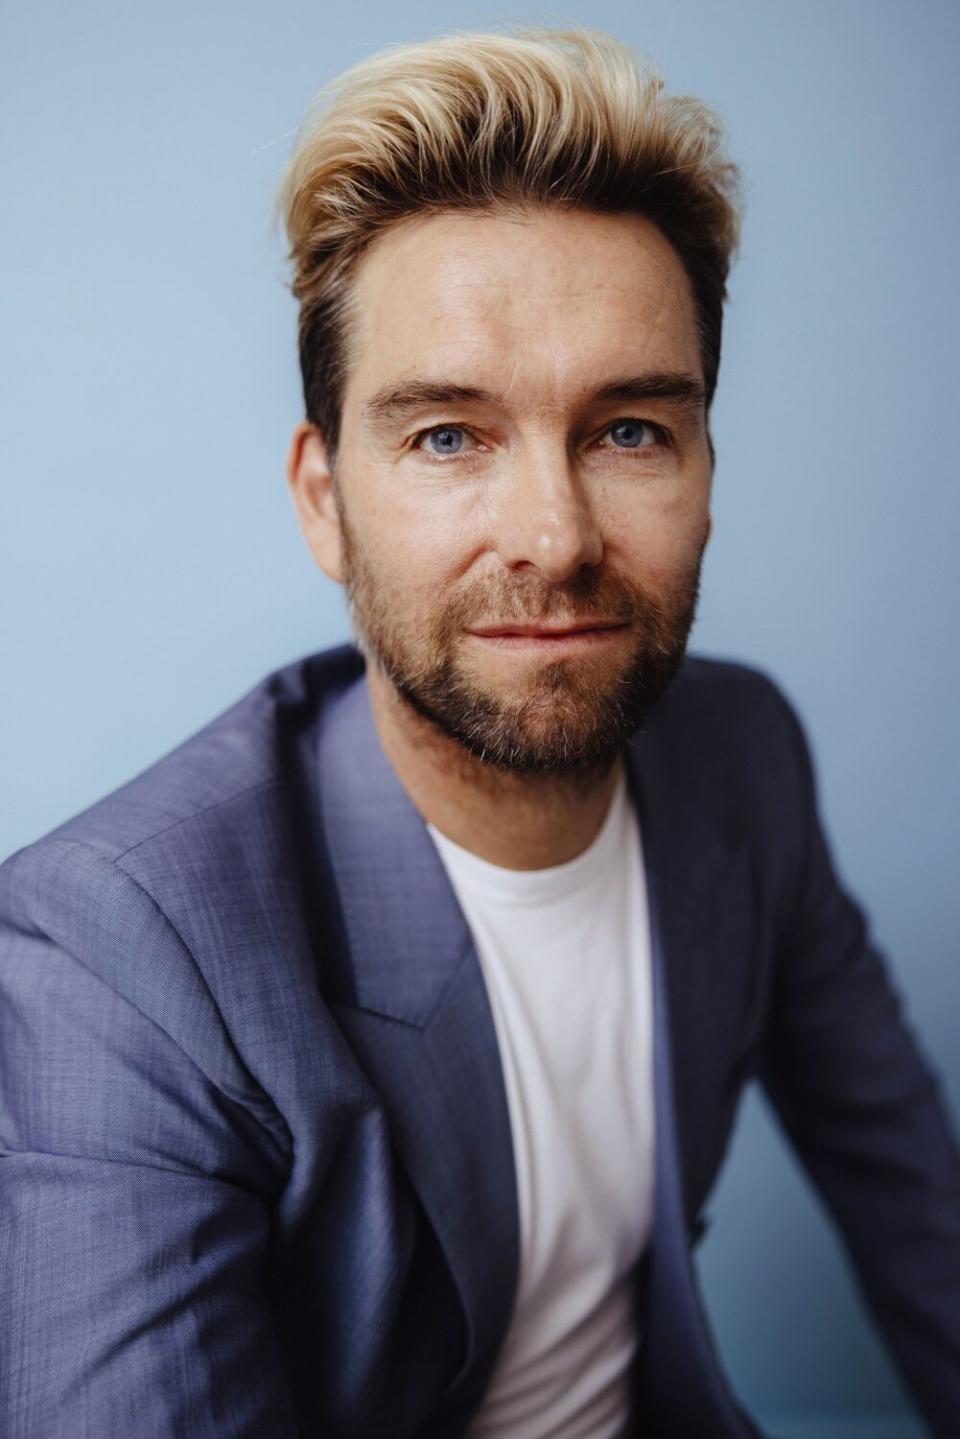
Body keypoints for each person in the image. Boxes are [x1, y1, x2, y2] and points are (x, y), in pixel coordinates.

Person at [1, 25, 958, 1439]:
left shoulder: (743, 758)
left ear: (704, 468)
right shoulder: (114, 954)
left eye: (629, 430)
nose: (555, 538)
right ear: (324, 498)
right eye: (447, 436)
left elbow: (919, 1213)